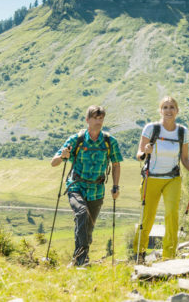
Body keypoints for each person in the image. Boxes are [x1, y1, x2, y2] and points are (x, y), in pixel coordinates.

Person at [50, 105, 122, 267]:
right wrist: (63, 156)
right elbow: (54, 162)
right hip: (76, 186)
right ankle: (81, 260)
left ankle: (79, 260)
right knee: (82, 213)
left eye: (101, 118)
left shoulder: (110, 141)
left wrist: (116, 186)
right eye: (95, 118)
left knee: (87, 230)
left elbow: (116, 164)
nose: (98, 122)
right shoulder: (77, 139)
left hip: (97, 190)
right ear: (87, 120)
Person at [133, 96, 189, 261]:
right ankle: (139, 253)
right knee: (147, 216)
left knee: (171, 214)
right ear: (160, 110)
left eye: (172, 107)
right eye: (165, 107)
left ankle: (169, 256)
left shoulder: (182, 132)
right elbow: (139, 154)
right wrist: (145, 152)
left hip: (172, 178)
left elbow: (184, 158)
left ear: (177, 111)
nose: (168, 110)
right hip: (151, 178)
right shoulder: (151, 128)